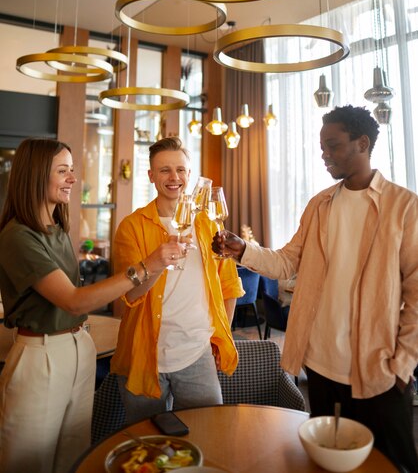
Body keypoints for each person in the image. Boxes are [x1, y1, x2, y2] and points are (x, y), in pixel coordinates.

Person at [212, 105, 418, 473]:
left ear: (363, 143)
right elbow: (287, 261)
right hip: (320, 364)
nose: (324, 154)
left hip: (377, 368)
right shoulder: (320, 204)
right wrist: (243, 250)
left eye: (333, 145)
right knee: (326, 460)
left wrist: (402, 366)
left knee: (393, 463)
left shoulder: (404, 207)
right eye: (322, 146)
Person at [0, 138, 181, 473]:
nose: (73, 179)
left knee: (74, 453)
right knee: (28, 462)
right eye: (63, 171)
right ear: (36, 175)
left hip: (78, 346)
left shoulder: (56, 228)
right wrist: (147, 265)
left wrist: (151, 266)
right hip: (42, 356)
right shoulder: (17, 236)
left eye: (72, 170)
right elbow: (73, 300)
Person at [111, 136, 243, 423]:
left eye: (181, 170)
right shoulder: (131, 226)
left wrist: (220, 337)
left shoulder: (207, 224)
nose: (174, 178)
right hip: (143, 354)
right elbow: (130, 296)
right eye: (164, 170)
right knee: (147, 443)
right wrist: (158, 262)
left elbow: (229, 286)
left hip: (197, 352)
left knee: (209, 433)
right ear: (151, 176)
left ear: (189, 174)